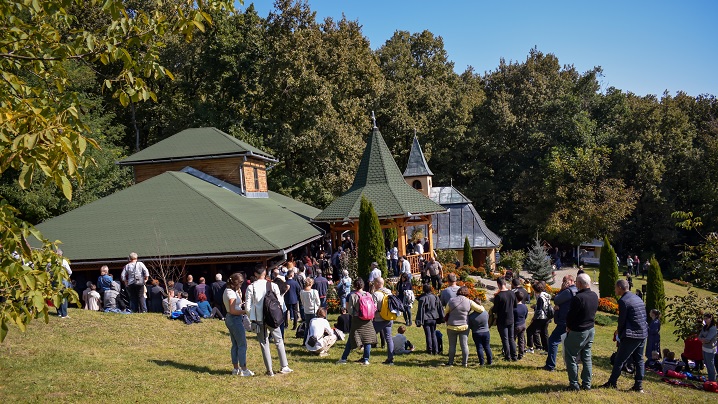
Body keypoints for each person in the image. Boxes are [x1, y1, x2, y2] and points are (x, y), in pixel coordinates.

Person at [599, 279, 647, 392]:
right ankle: (638, 386)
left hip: (632, 334)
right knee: (639, 360)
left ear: (620, 288)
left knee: (619, 359)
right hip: (643, 333)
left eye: (616, 287)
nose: (615, 289)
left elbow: (622, 321)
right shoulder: (637, 298)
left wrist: (619, 335)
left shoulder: (623, 301)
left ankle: (612, 383)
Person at [245, 266, 293, 376]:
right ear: (265, 273)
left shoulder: (251, 287)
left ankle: (270, 370)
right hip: (272, 317)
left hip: (258, 319)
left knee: (264, 343)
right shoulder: (273, 285)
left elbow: (247, 307)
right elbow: (279, 302)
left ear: (255, 274)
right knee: (279, 341)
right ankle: (284, 366)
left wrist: (252, 316)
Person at [563, 273, 598, 391]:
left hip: (579, 330)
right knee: (587, 356)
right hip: (590, 329)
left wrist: (569, 326)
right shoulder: (594, 295)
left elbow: (570, 316)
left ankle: (574, 384)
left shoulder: (578, 298)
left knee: (571, 356)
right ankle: (587, 384)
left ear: (580, 284)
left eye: (577, 282)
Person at [336, 278, 377, 365]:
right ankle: (366, 359)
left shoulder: (353, 296)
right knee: (367, 339)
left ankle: (344, 358)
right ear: (363, 285)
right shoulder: (369, 294)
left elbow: (350, 311)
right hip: (368, 320)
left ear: (354, 286)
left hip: (357, 320)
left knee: (351, 339)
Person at [541, 275, 577, 372]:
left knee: (553, 341)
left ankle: (550, 365)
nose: (564, 282)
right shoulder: (576, 290)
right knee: (570, 345)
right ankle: (572, 366)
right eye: (563, 280)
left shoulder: (568, 291)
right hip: (571, 321)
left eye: (565, 281)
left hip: (564, 321)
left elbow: (556, 299)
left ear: (571, 281)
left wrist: (562, 290)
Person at [444, 286, 485, 367]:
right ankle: (464, 363)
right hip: (464, 326)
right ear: (467, 293)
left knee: (452, 345)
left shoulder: (451, 300)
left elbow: (445, 312)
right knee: (464, 345)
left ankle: (450, 362)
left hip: (451, 326)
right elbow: (480, 309)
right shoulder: (469, 302)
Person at [223, 273, 254, 376]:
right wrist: (245, 311)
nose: (241, 285)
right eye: (240, 283)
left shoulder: (228, 291)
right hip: (234, 319)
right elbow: (232, 310)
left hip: (230, 319)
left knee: (235, 344)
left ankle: (236, 368)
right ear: (236, 283)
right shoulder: (231, 293)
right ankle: (244, 369)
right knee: (242, 344)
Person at [372, 277, 396, 365]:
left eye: (374, 283)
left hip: (379, 319)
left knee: (368, 336)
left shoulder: (376, 294)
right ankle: (390, 358)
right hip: (389, 318)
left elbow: (373, 308)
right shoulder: (389, 292)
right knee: (389, 338)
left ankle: (365, 357)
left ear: (378, 284)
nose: (373, 284)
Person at [492, 277, 517, 361]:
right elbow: (515, 305)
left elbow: (495, 310)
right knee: (511, 338)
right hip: (511, 318)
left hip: (502, 320)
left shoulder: (498, 296)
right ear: (505, 283)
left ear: (498, 284)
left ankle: (508, 356)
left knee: (505, 339)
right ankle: (514, 356)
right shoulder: (512, 293)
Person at [416, 283, 443, 355]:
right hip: (434, 317)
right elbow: (439, 307)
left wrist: (418, 320)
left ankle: (430, 349)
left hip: (426, 318)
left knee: (428, 334)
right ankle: (436, 350)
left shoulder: (422, 298)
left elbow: (420, 311)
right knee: (433, 334)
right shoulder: (435, 297)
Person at [526, 281, 551, 353]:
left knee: (529, 330)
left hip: (540, 317)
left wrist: (533, 318)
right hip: (547, 317)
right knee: (544, 333)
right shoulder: (547, 295)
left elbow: (539, 310)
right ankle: (547, 349)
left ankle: (530, 348)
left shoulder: (540, 297)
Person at [469, 297, 493, 366]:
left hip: (476, 332)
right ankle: (490, 361)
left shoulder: (471, 316)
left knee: (479, 347)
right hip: (486, 331)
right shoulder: (485, 313)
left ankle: (482, 362)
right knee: (487, 346)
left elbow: (470, 325)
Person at [300, 277, 321, 344]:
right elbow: (318, 302)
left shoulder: (302, 292)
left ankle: (305, 341)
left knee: (307, 327)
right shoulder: (314, 292)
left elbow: (302, 302)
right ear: (311, 284)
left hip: (306, 310)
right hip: (313, 311)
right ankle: (314, 341)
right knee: (314, 327)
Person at [698, 313, 717, 382]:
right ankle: (709, 379)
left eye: (706, 319)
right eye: (704, 319)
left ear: (710, 319)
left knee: (710, 365)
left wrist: (704, 340)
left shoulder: (713, 328)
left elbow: (708, 339)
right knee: (706, 363)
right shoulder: (705, 327)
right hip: (704, 348)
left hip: (710, 349)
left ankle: (712, 380)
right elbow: (700, 336)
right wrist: (703, 340)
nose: (705, 320)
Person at [54, 249, 72, 318]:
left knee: (56, 296)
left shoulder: (51, 262)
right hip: (63, 280)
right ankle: (64, 314)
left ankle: (59, 312)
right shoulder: (64, 261)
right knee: (63, 296)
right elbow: (70, 272)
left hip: (54, 281)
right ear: (61, 255)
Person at [513, 291, 528, 359]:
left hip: (516, 325)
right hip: (523, 324)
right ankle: (521, 353)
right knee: (521, 340)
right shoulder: (525, 307)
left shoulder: (514, 308)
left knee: (513, 339)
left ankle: (513, 353)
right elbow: (526, 316)